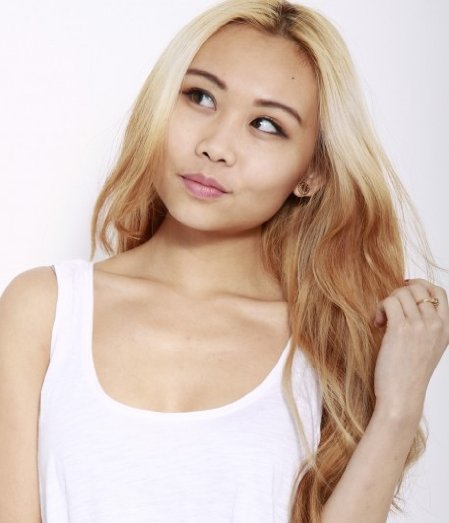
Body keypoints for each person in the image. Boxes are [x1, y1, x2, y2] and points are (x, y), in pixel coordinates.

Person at [0, 0, 448, 522]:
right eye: (201, 96)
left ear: (313, 174)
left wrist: (398, 411)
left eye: (266, 124)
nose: (215, 147)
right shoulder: (46, 310)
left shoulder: (323, 341)